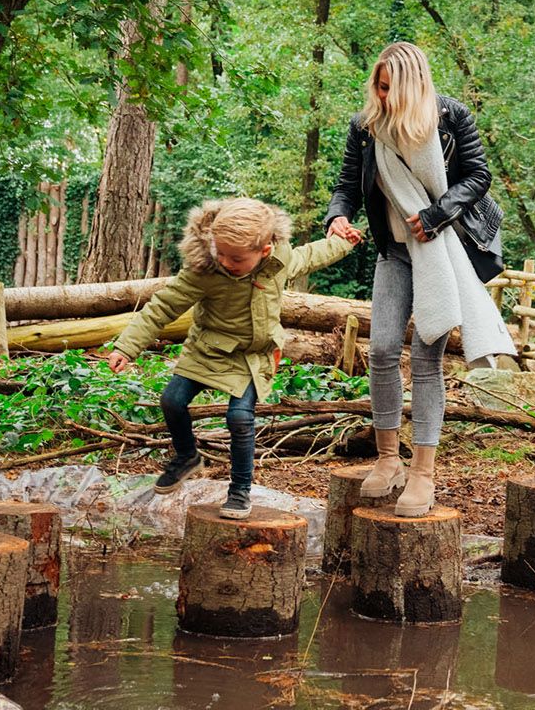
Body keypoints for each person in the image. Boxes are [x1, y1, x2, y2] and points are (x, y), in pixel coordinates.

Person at [323, 42, 514, 517]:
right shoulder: (365, 127)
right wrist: (337, 216)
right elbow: (347, 182)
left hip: (441, 249)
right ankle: (389, 460)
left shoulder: (451, 117)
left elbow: (478, 175)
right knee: (384, 348)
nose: (383, 97)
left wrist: (434, 215)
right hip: (393, 251)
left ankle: (424, 471)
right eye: (379, 87)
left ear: (414, 86)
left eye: (391, 89)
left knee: (427, 354)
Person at [108, 198, 355, 519]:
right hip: (207, 348)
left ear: (265, 250)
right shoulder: (204, 270)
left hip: (253, 354)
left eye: (236, 258)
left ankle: (239, 491)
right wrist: (126, 347)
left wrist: (341, 242)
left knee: (239, 418)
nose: (224, 261)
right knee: (171, 400)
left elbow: (311, 255)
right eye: (219, 252)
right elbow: (162, 307)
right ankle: (186, 456)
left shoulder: (279, 261)